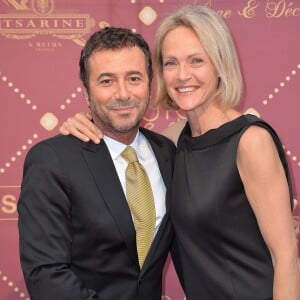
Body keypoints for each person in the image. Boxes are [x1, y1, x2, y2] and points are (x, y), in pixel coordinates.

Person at [60, 5, 300, 300]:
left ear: (220, 64)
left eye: (196, 60)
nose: (183, 75)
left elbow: (287, 258)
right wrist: (85, 121)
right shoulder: (171, 142)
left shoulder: (251, 141)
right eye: (171, 63)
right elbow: (120, 141)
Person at [18, 27, 176, 300]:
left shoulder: (167, 153)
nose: (123, 93)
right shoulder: (53, 161)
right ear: (86, 91)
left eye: (134, 78)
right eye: (106, 81)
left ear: (150, 83)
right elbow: (46, 275)